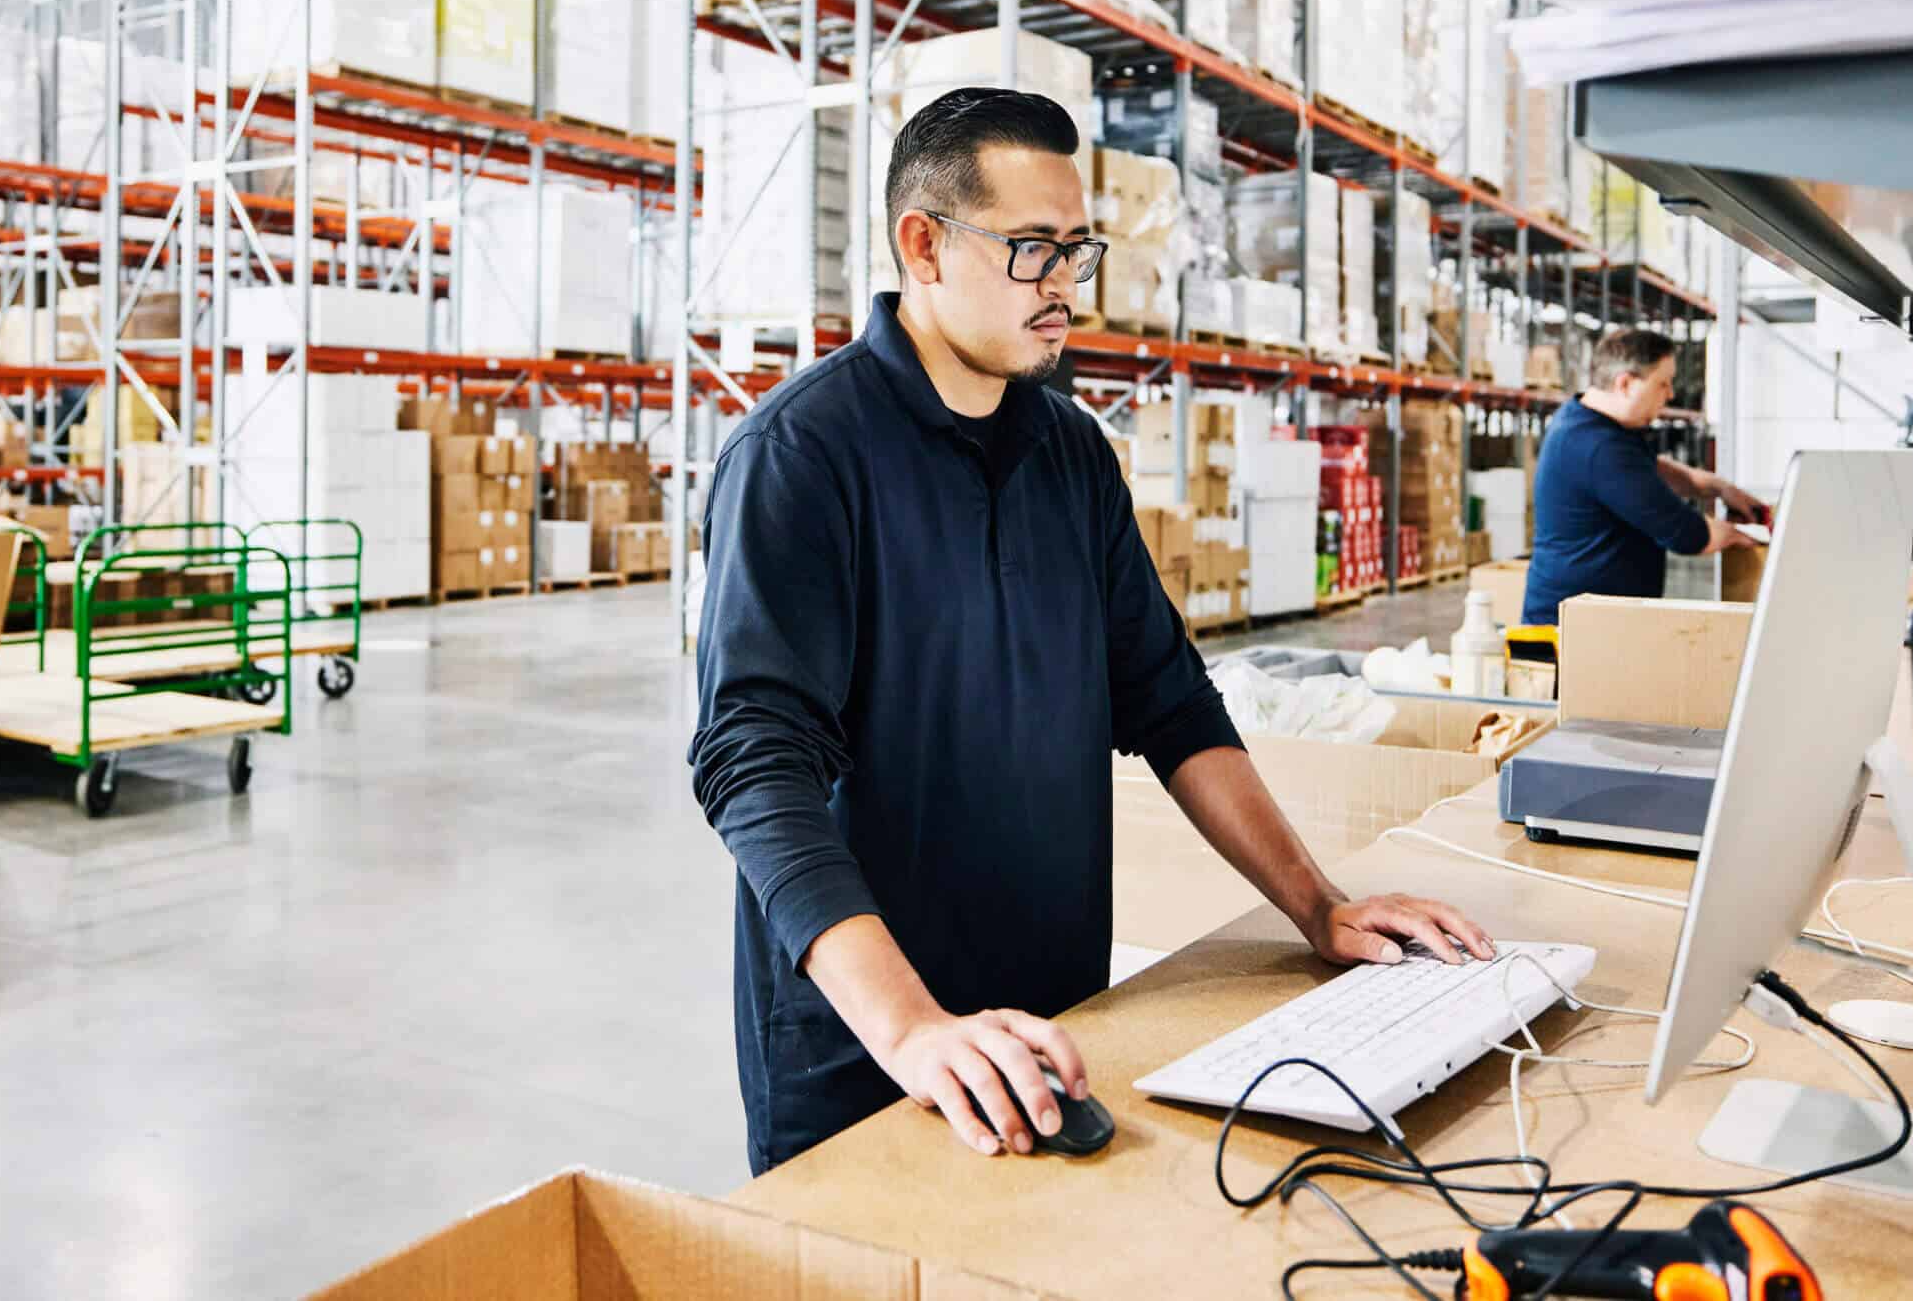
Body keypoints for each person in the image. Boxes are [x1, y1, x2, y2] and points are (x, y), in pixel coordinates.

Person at [687, 87, 1496, 1177]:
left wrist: (1320, 907)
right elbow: (755, 765)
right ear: (921, 245)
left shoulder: (1070, 456)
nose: (1065, 286)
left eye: (1077, 250)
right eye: (1031, 251)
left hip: (1060, 1022)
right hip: (869, 1048)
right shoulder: (802, 456)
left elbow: (1168, 699)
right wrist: (912, 1028)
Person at [1521, 326, 1768, 627]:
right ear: (1625, 384)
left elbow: (1651, 469)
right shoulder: (1599, 448)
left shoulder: (1587, 419)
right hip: (1572, 631)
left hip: (1595, 621)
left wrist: (1720, 488)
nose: (1670, 394)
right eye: (1662, 383)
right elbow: (1690, 535)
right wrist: (1745, 536)